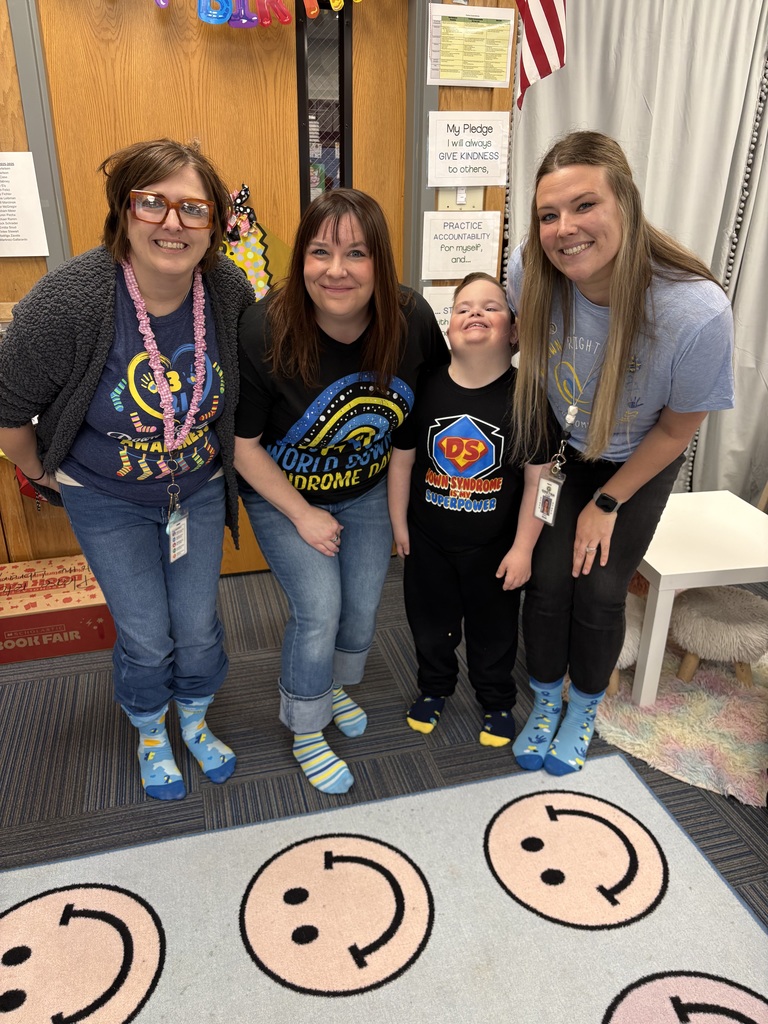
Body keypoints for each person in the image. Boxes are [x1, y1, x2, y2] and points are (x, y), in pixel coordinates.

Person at [0, 138, 255, 800]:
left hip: (193, 491)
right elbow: (8, 408)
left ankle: (194, 722)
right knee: (146, 633)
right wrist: (43, 473)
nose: (172, 223)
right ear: (125, 211)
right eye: (153, 203)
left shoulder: (226, 289)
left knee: (196, 627)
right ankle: (150, 730)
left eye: (193, 208)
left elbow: (250, 384)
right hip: (105, 498)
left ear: (214, 225)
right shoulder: (70, 300)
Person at [506, 130, 734, 775]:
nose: (563, 229)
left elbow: (675, 431)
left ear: (626, 206)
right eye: (549, 214)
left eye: (584, 206)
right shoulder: (532, 268)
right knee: (548, 583)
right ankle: (547, 698)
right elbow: (518, 352)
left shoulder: (695, 310)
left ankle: (584, 704)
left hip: (635, 459)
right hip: (559, 452)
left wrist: (608, 501)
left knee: (603, 589)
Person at [235, 188, 448, 795]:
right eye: (320, 252)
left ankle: (330, 688)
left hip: (368, 488)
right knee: (319, 610)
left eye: (356, 253)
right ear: (301, 257)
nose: (336, 270)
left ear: (380, 263)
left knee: (360, 608)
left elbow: (419, 414)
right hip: (282, 493)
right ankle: (306, 725)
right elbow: (242, 446)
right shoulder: (264, 327)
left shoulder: (411, 321)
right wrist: (303, 514)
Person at [388, 273, 549, 746]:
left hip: (495, 548)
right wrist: (398, 523)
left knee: (493, 632)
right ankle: (434, 689)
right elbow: (403, 460)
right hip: (428, 540)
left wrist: (524, 548)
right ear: (450, 327)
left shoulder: (529, 398)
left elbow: (543, 483)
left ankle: (496, 699)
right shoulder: (425, 387)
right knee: (429, 627)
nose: (475, 312)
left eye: (491, 307)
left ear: (514, 331)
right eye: (463, 308)